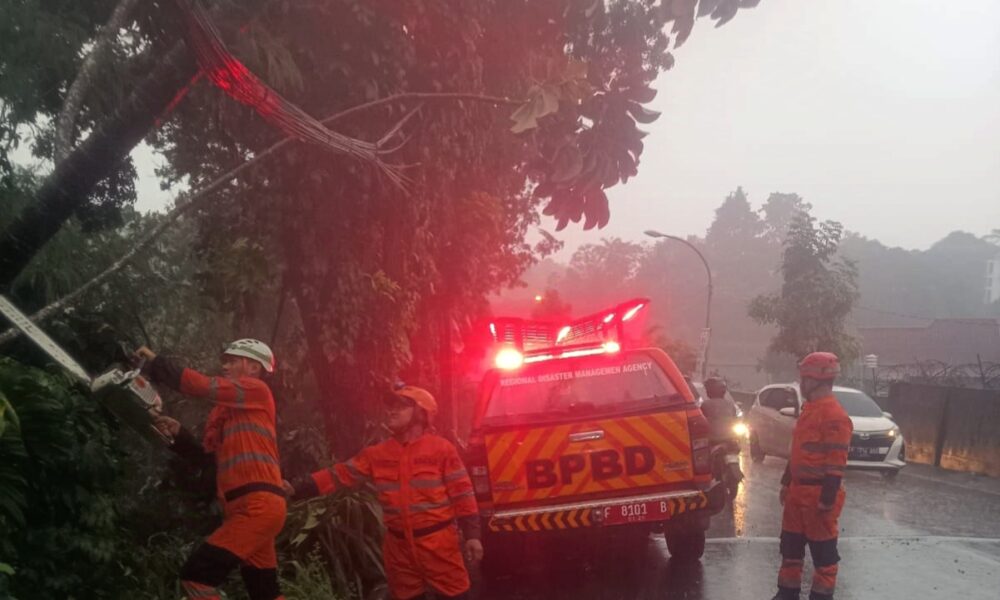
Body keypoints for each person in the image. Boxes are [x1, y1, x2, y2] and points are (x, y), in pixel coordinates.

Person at [285, 383, 483, 600]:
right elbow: (338, 475)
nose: (392, 411)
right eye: (391, 406)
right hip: (399, 550)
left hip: (439, 545)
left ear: (420, 413)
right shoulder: (377, 454)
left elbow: (462, 493)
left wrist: (472, 535)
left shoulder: (442, 449)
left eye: (401, 406)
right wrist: (296, 488)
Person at [137, 339, 286, 600]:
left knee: (196, 576)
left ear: (253, 367)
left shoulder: (256, 390)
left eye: (232, 360)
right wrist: (179, 434)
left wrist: (156, 362)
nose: (224, 365)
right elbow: (207, 461)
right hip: (246, 508)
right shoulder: (226, 414)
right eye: (225, 360)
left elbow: (202, 386)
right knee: (264, 592)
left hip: (257, 506)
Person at [771, 352, 853, 600]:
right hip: (798, 494)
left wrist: (827, 501)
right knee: (790, 549)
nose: (801, 383)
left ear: (816, 379)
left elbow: (836, 464)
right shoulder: (810, 410)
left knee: (824, 555)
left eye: (804, 378)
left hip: (818, 497)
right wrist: (787, 483)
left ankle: (821, 596)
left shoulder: (834, 415)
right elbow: (796, 452)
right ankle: (786, 594)